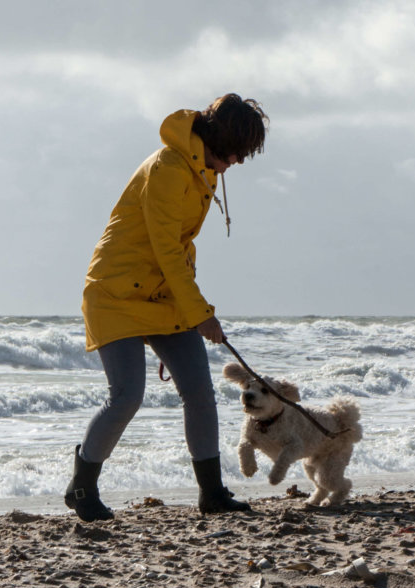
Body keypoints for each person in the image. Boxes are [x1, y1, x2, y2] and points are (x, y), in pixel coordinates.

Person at [66, 93, 269, 522]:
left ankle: (212, 493)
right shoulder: (167, 169)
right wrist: (201, 314)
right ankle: (81, 486)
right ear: (223, 140)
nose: (238, 161)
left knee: (200, 392)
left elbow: (178, 251)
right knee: (127, 396)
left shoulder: (203, 170)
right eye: (238, 152)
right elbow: (166, 251)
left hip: (164, 294)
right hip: (116, 292)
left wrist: (190, 309)